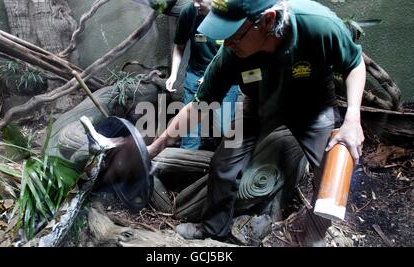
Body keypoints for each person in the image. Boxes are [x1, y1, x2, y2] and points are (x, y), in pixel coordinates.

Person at [149, 0, 366, 245]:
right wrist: (154, 149)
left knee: (329, 167)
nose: (226, 43)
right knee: (223, 164)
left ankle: (311, 233)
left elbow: (355, 64)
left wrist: (352, 119)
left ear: (268, 20)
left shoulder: (317, 24)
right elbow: (199, 106)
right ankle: (213, 231)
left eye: (232, 35)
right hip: (258, 101)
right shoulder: (229, 55)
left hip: (312, 102)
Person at [166, 0, 239, 149]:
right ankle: (186, 164)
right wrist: (173, 75)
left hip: (224, 76)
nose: (195, 4)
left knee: (224, 129)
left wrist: (210, 76)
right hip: (196, 74)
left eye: (199, 0)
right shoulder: (189, 12)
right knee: (190, 132)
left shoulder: (230, 14)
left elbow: (234, 52)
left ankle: (222, 163)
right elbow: (179, 46)